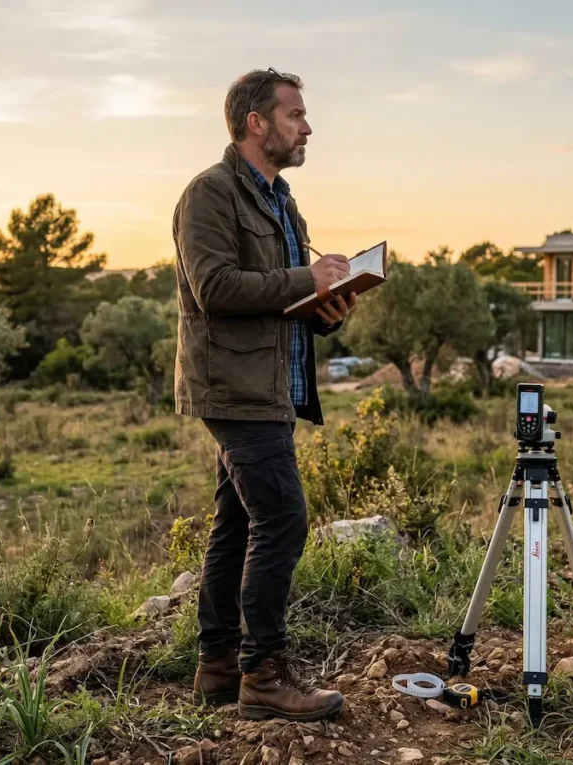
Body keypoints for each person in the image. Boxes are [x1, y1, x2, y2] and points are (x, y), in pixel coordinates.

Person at [172, 68, 357, 721]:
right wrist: (304, 275)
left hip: (273, 386)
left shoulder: (284, 202)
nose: (306, 127)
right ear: (257, 121)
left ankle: (218, 664)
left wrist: (325, 306)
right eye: (295, 114)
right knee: (282, 517)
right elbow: (216, 288)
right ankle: (264, 674)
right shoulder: (209, 195)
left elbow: (281, 294)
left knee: (237, 523)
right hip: (233, 387)